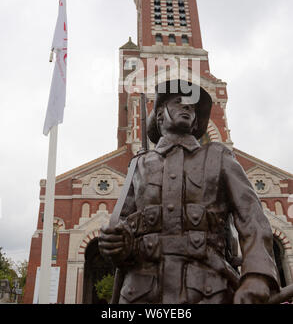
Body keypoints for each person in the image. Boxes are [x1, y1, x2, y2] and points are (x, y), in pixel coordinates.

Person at [99, 79, 279, 304]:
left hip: (207, 289)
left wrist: (257, 275)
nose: (187, 107)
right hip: (142, 292)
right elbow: (122, 225)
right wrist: (114, 243)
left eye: (192, 106)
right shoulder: (139, 165)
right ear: (160, 116)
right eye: (178, 102)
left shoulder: (219, 157)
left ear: (195, 122)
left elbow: (252, 217)